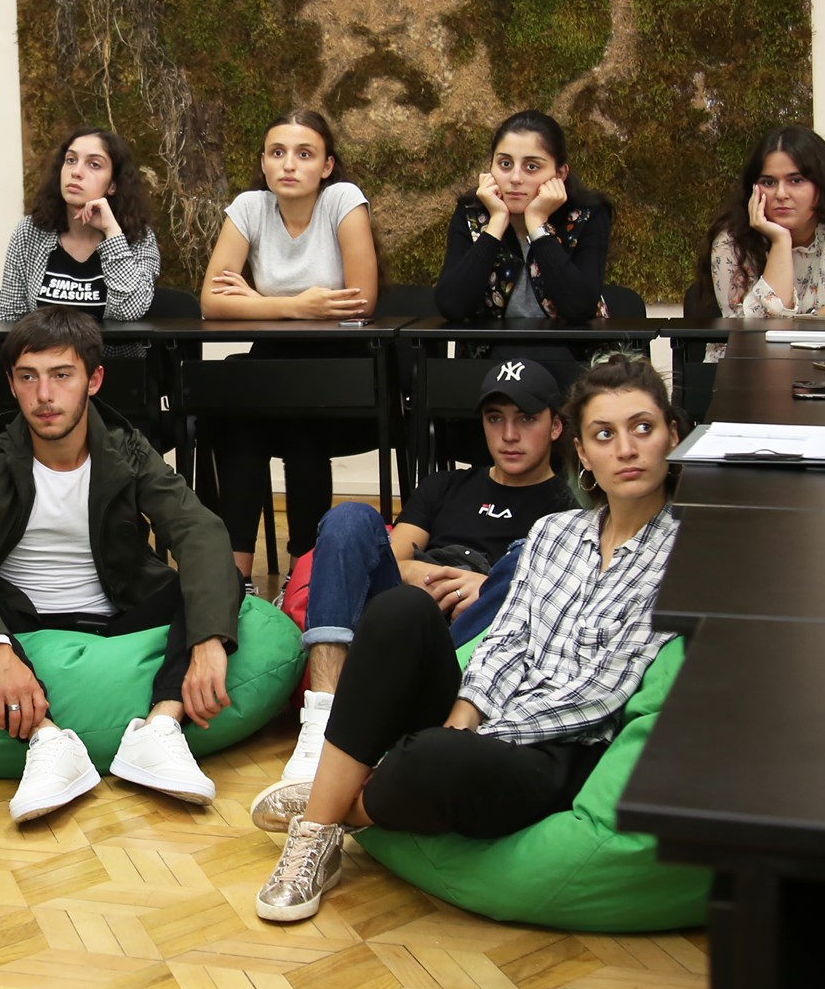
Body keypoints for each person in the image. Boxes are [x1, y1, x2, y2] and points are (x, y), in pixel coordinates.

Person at [249, 354, 683, 924]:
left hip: (557, 750)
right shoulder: (553, 533)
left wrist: (481, 739)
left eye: (642, 428)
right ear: (583, 453)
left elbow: (603, 691)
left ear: (673, 436)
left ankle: (330, 804)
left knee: (434, 758)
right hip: (485, 718)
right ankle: (319, 833)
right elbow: (505, 639)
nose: (625, 449)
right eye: (605, 434)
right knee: (400, 610)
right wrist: (462, 717)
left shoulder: (687, 552)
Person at [0, 307, 246, 822]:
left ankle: (160, 727)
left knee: (217, 581)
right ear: (12, 384)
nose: (44, 395)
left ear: (93, 380)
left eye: (61, 375)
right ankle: (48, 741)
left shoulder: (126, 450)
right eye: (28, 377)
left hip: (118, 613)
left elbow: (198, 531)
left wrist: (207, 640)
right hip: (22, 619)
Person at [278, 359, 574, 784]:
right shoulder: (446, 485)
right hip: (404, 618)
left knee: (528, 557)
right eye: (495, 419)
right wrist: (426, 577)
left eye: (526, 419)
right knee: (349, 518)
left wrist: (492, 586)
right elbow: (392, 557)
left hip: (472, 647)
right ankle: (323, 715)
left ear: (556, 426)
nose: (509, 435)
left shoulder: (567, 506)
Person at [198, 109, 378, 582]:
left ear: (327, 165)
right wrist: (299, 306)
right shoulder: (249, 207)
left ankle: (304, 577)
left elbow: (360, 301)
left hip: (339, 363)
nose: (289, 164)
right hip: (274, 358)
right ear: (263, 163)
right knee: (237, 422)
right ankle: (234, 578)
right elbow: (212, 302)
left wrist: (256, 302)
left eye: (304, 154)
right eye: (277, 153)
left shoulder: (342, 199)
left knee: (301, 424)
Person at [699, 126, 825, 339]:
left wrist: (822, 313)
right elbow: (751, 332)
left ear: (822, 184)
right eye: (768, 182)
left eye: (796, 180)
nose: (781, 194)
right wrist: (780, 242)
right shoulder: (731, 242)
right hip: (749, 358)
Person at [434, 110, 611, 324]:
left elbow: (581, 309)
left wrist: (537, 224)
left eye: (531, 167)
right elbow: (451, 306)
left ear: (560, 174)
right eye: (505, 164)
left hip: (572, 345)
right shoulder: (471, 213)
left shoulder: (587, 215)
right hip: (490, 345)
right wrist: (496, 222)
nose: (515, 178)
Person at [0, 128, 160, 322]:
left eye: (94, 164)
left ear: (112, 185)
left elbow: (129, 311)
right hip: (43, 343)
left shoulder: (139, 237)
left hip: (106, 344)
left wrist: (112, 234)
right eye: (71, 160)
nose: (76, 172)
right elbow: (8, 318)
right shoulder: (30, 231)